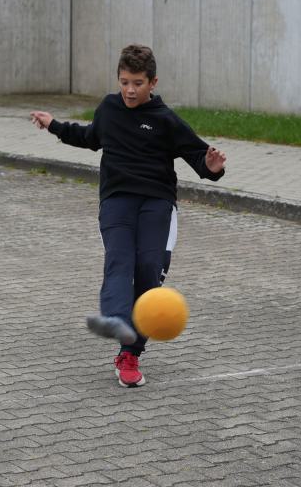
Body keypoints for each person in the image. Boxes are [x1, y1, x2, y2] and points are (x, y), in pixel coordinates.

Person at [30, 44, 227, 387]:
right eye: (124, 82)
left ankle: (131, 353)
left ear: (153, 82)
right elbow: (89, 137)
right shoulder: (109, 108)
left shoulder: (165, 119)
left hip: (157, 203)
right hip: (117, 200)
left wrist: (211, 167)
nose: (130, 90)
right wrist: (54, 126)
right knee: (119, 261)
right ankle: (116, 321)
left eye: (137, 83)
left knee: (148, 269)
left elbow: (199, 156)